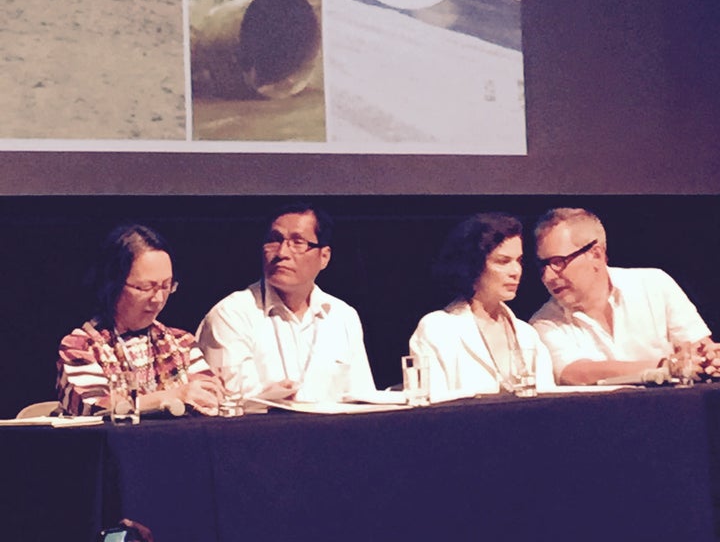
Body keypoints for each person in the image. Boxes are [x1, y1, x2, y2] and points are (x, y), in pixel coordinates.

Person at [197, 203, 376, 403]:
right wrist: (270, 397)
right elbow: (229, 401)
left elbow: (361, 396)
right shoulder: (231, 314)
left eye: (297, 242)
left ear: (324, 257)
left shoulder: (342, 316)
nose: (282, 252)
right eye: (274, 240)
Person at [530, 207, 720, 385]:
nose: (548, 276)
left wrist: (709, 358)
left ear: (595, 254)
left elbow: (697, 347)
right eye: (543, 266)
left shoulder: (654, 284)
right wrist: (664, 366)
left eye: (557, 262)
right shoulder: (544, 322)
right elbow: (575, 372)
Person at [57, 224, 221, 416]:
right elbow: (94, 406)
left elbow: (208, 396)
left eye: (166, 286)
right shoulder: (80, 346)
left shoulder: (182, 343)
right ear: (113, 285)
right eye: (144, 288)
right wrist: (171, 397)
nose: (158, 299)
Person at [409, 212, 554, 401]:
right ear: (474, 264)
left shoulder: (527, 335)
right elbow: (432, 409)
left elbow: (549, 404)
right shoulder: (437, 329)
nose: (516, 271)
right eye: (503, 261)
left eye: (519, 261)